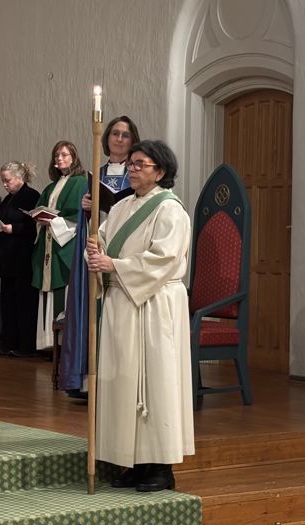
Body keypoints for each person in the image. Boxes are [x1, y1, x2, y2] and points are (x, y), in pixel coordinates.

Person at [86, 140, 194, 492]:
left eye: (140, 164)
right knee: (124, 382)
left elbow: (164, 259)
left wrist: (114, 265)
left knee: (154, 382)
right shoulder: (121, 207)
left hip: (154, 305)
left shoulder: (171, 211)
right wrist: (94, 250)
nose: (131, 169)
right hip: (122, 302)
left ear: (159, 171)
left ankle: (160, 466)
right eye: (130, 163)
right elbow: (103, 241)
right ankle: (132, 460)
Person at [62, 116, 142, 397]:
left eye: (125, 135)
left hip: (125, 247)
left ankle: (118, 381)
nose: (119, 139)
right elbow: (86, 219)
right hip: (98, 247)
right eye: (115, 134)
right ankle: (88, 380)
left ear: (133, 141)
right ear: (106, 138)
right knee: (92, 309)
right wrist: (85, 206)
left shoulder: (137, 174)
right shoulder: (97, 173)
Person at [31, 141, 86, 351]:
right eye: (56, 155)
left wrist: (53, 222)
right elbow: (39, 210)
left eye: (64, 154)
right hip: (48, 244)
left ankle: (63, 344)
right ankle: (47, 342)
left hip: (64, 246)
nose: (60, 158)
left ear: (74, 157)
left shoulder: (80, 182)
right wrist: (39, 218)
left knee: (62, 290)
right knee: (47, 291)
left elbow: (77, 217)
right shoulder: (51, 187)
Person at [0, 161, 41, 357]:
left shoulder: (31, 196)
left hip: (22, 258)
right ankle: (9, 343)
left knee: (24, 304)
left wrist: (13, 228)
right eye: (2, 181)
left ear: (19, 177)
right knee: (9, 303)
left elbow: (34, 226)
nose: (4, 184)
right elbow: (2, 220)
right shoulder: (7, 199)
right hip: (7, 259)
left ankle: (25, 346)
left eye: (7, 180)